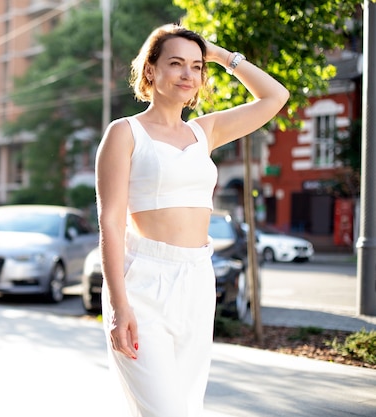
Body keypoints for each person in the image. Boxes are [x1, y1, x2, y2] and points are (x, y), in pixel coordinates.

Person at [95, 24, 289, 417]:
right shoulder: (125, 133)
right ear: (150, 70)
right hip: (143, 282)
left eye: (196, 67)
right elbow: (111, 224)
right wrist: (119, 305)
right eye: (176, 63)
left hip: (198, 279)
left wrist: (219, 54)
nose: (188, 75)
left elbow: (275, 96)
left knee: (186, 406)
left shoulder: (205, 132)